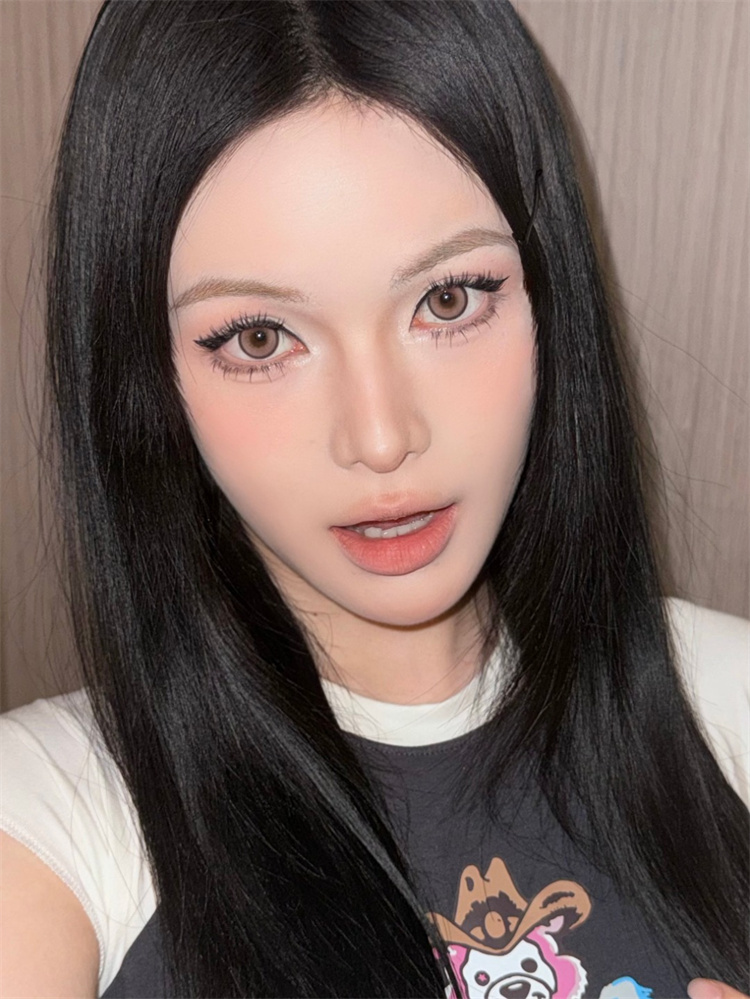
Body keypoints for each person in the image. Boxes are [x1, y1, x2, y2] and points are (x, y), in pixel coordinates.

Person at [0, 1, 747, 997]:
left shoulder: (729, 698)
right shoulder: (48, 816)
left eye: (448, 299)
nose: (382, 436)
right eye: (259, 339)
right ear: (150, 378)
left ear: (546, 300)